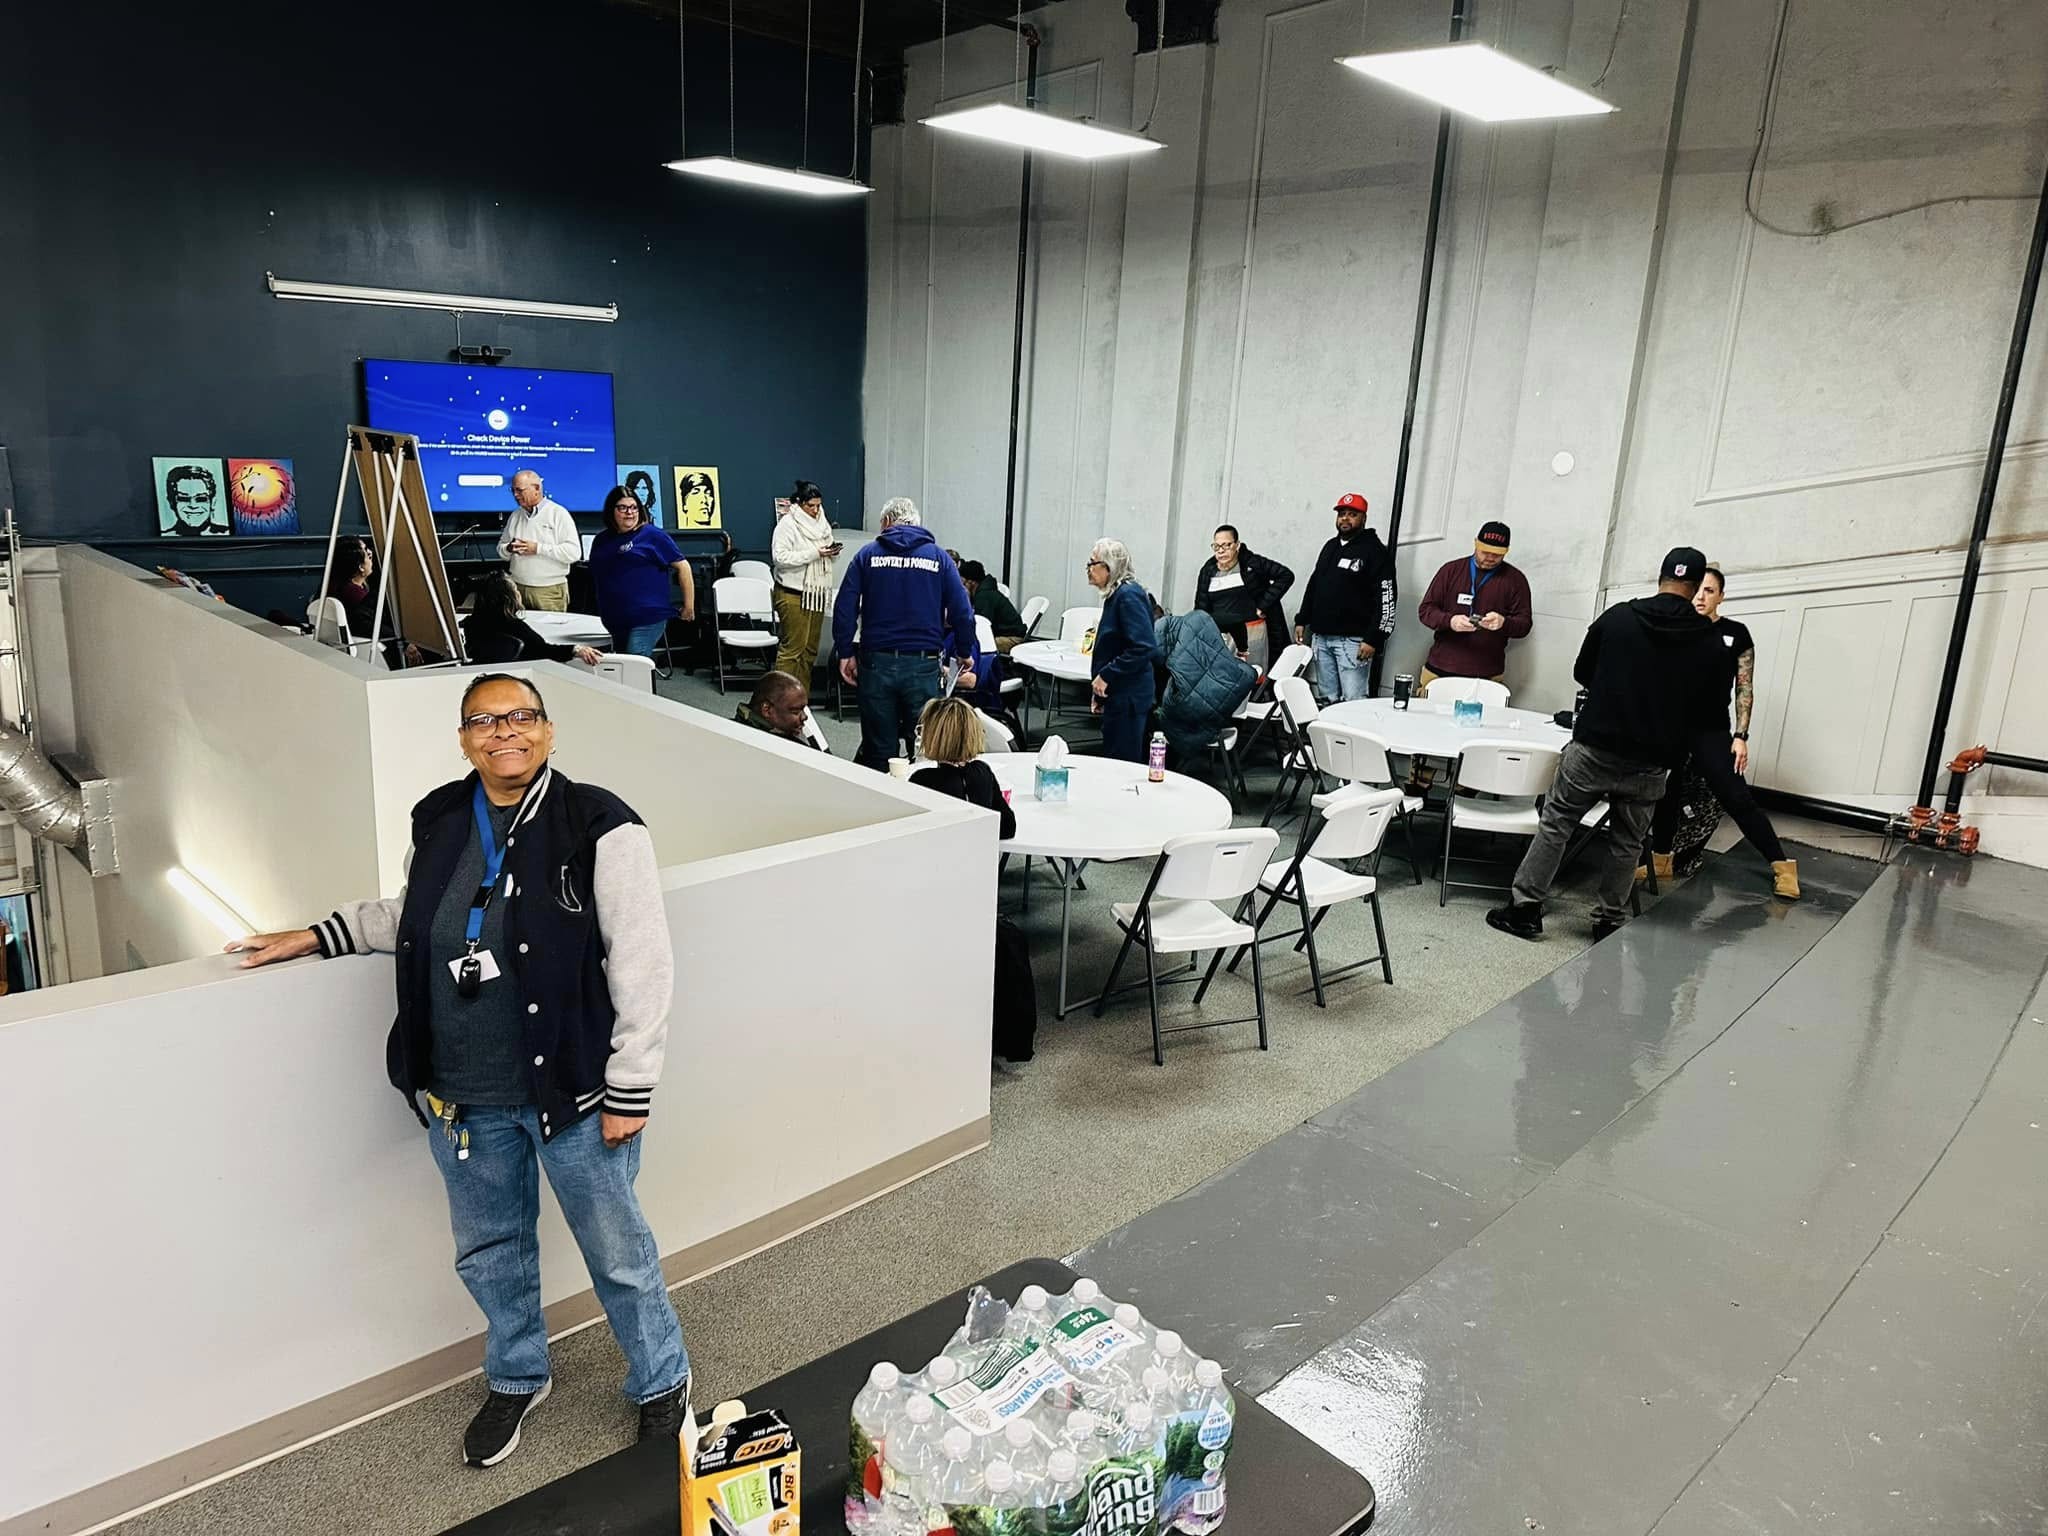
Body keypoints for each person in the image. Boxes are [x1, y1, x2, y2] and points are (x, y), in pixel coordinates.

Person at [226, 673, 691, 1465]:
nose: (504, 731)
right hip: (462, 1096)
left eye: (520, 716)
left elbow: (643, 965)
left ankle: (660, 1381)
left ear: (549, 730)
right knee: (490, 1250)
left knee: (617, 1251)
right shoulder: (441, 815)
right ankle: (517, 1376)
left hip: (573, 1094)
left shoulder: (601, 824)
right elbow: (417, 915)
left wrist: (631, 1088)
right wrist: (319, 933)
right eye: (484, 720)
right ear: (465, 739)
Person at [1486, 547, 1727, 943]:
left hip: (1595, 748)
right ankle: (1607, 922)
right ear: (1697, 584)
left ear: (1661, 576)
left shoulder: (1619, 617)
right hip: (1651, 760)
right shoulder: (1709, 642)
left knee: (1557, 824)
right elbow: (1711, 710)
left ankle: (1525, 909)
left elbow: (1582, 671)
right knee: (1627, 842)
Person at [1645, 566, 1800, 899]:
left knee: (1736, 796)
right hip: (1672, 727)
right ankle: (1661, 860)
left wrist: (1741, 736)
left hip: (1711, 730)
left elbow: (1744, 688)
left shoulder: (1735, 634)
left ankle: (1783, 866)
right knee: (1666, 792)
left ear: (1721, 597)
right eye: (1697, 589)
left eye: (1710, 591)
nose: (1701, 597)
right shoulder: (1677, 627)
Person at [909, 699, 1035, 1062]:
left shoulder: (922, 782)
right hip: (978, 895)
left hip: (936, 897)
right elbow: (1007, 826)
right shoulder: (982, 774)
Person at [832, 498, 978, 771]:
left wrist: (845, 651)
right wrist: (964, 651)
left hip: (876, 662)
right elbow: (963, 611)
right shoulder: (939, 558)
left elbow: (844, 606)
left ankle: (880, 793)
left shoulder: (867, 555)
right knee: (927, 745)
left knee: (878, 746)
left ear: (887, 522)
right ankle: (923, 792)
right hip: (923, 664)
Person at [1295, 493, 1396, 703]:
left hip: (1353, 642)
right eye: (1342, 514)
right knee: (1327, 698)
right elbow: (1315, 584)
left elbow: (1387, 598)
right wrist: (1302, 619)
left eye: (1352, 514)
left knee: (1353, 701)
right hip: (1321, 637)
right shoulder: (1330, 546)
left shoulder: (1375, 551)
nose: (1345, 519)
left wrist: (1374, 639)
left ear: (1364, 518)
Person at [1416, 520, 1531, 691]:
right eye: (1485, 551)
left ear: (1506, 551)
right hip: (1440, 669)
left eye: (1497, 554)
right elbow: (1426, 610)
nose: (1490, 558)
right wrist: (1450, 621)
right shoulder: (1451, 570)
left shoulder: (1515, 580)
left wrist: (1504, 623)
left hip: (1487, 675)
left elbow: (1524, 625)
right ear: (1476, 544)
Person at [588, 484, 695, 658]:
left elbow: (683, 567)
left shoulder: (653, 536)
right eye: (622, 508)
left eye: (634, 507)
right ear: (611, 510)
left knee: (635, 660)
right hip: (615, 617)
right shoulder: (601, 540)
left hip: (648, 616)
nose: (629, 512)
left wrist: (689, 605)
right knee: (624, 664)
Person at [1151, 600, 1258, 767]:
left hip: (1192, 711)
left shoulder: (1154, 640)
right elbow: (1236, 619)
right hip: (1225, 699)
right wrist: (1242, 650)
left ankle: (1164, 763)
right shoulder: (1196, 620)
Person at [1084, 538, 1157, 763]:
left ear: (1109, 567)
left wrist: (1107, 675)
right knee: (1115, 757)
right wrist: (1100, 692)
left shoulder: (1128, 596)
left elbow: (1144, 646)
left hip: (1129, 696)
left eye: (1092, 563)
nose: (1088, 569)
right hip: (1119, 693)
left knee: (1122, 763)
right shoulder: (1116, 594)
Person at [769, 479, 842, 691]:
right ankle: (779, 697)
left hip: (815, 593)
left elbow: (827, 555)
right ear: (799, 503)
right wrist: (815, 553)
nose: (816, 510)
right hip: (792, 593)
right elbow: (780, 558)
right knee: (793, 650)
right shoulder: (787, 524)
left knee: (810, 650)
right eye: (811, 506)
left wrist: (831, 553)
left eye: (818, 505)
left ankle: (800, 698)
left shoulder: (823, 524)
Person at [909, 697, 1016, 840]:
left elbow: (909, 831)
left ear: (932, 737)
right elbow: (1008, 827)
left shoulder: (923, 780)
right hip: (979, 851)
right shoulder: (983, 771)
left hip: (938, 851)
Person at [1193, 526, 1293, 666]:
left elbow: (1286, 575)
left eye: (1226, 545)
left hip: (1252, 634)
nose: (1221, 551)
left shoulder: (1252, 563)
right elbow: (1201, 607)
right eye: (1216, 546)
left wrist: (1263, 605)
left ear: (1237, 545)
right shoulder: (1207, 571)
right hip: (1221, 638)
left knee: (1253, 674)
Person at [463, 573, 604, 668]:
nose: (518, 593)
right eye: (515, 589)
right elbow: (544, 650)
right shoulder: (514, 626)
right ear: (508, 597)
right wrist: (575, 649)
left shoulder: (471, 624)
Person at [498, 471, 581, 612]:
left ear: (537, 488)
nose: (515, 495)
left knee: (549, 627)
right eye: (513, 490)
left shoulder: (558, 513)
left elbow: (574, 553)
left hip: (548, 592)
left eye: (520, 490)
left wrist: (537, 548)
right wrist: (509, 548)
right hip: (517, 588)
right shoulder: (515, 515)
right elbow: (501, 549)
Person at [958, 560, 1028, 653]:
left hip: (1011, 639)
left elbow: (981, 627)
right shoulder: (984, 592)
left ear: (971, 582)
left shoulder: (984, 597)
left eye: (963, 583)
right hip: (1005, 634)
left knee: (975, 645)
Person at [734, 670, 816, 746]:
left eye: (803, 709)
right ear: (767, 710)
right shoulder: (773, 746)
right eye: (795, 711)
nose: (805, 717)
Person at [161, 462, 228, 536]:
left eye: (201, 499)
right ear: (171, 502)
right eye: (183, 499)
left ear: (213, 503)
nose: (193, 505)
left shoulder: (227, 533)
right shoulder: (165, 537)